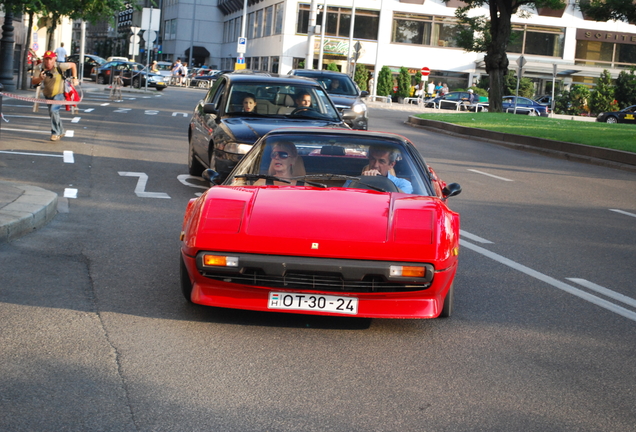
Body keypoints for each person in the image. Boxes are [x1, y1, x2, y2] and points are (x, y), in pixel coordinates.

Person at [31, 50, 78, 141]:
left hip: (59, 93)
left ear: (54, 59)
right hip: (47, 94)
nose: (48, 62)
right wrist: (40, 78)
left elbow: (73, 65)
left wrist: (75, 78)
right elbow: (34, 81)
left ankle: (55, 133)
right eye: (46, 59)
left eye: (50, 59)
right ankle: (61, 131)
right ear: (44, 60)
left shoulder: (59, 66)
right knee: (53, 113)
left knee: (53, 111)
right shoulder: (39, 67)